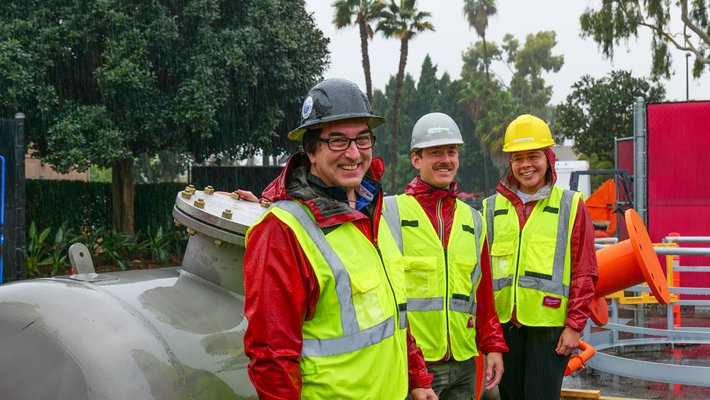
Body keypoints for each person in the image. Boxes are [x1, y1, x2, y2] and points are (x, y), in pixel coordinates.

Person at [243, 78, 437, 400]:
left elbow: (393, 313)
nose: (353, 153)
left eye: (363, 139)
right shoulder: (282, 231)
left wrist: (416, 376)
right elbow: (271, 356)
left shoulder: (371, 210)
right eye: (337, 141)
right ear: (310, 149)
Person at [381, 112, 507, 400]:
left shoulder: (473, 220)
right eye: (435, 152)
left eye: (451, 152)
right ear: (416, 159)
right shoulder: (389, 213)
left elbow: (483, 294)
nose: (446, 160)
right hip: (415, 365)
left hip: (464, 363)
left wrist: (493, 346)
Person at [481, 114, 598, 400]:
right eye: (517, 158)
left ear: (548, 157)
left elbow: (585, 271)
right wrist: (488, 333)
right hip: (505, 329)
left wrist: (574, 326)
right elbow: (481, 276)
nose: (526, 165)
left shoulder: (570, 205)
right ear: (510, 162)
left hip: (550, 331)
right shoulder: (490, 208)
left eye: (533, 156)